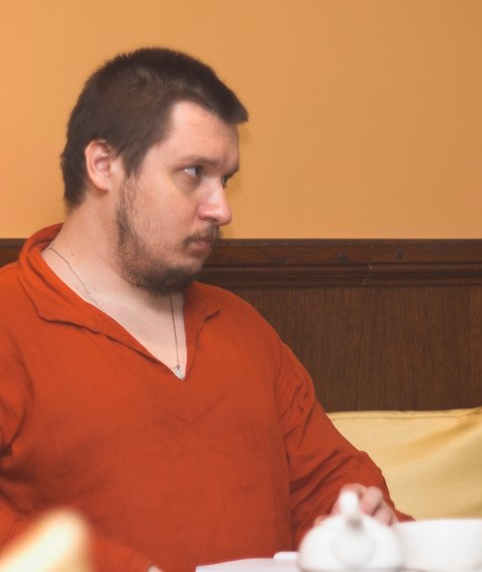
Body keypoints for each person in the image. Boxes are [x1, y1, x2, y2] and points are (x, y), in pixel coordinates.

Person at [0, 48, 411, 572]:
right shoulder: (11, 317)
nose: (222, 209)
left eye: (225, 179)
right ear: (103, 164)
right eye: (193, 172)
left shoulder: (241, 326)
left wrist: (361, 516)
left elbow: (326, 480)